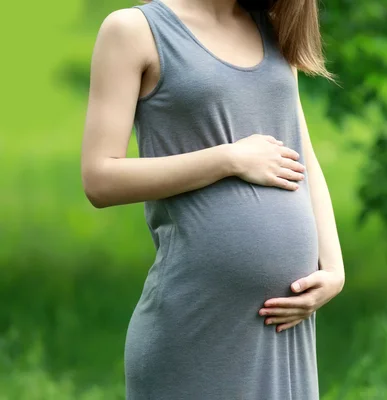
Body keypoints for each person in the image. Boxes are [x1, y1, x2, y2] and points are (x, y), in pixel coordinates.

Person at [80, 0, 345, 398]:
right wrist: (228, 158)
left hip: (284, 323)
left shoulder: (271, 27)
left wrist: (334, 266)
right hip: (197, 323)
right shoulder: (133, 30)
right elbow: (100, 178)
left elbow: (301, 154)